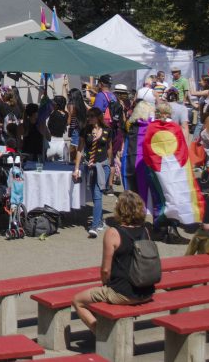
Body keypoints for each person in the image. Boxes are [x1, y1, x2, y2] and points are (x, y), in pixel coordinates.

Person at [71, 191, 156, 330]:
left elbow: (105, 270)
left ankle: (102, 335)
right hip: (146, 291)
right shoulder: (145, 230)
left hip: (123, 293)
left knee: (77, 300)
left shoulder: (113, 233)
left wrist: (106, 285)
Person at [74, 107, 114, 238]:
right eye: (88, 116)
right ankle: (100, 221)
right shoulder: (85, 131)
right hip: (90, 167)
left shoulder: (108, 130)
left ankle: (94, 226)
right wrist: (76, 168)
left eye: (92, 116)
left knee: (97, 194)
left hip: (102, 167)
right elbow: (80, 150)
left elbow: (109, 148)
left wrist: (110, 163)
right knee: (93, 193)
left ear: (98, 117)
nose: (89, 119)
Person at [46, 95, 69, 162]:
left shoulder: (53, 113)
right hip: (61, 143)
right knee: (61, 166)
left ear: (57, 104)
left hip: (51, 142)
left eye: (54, 103)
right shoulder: (66, 114)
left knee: (47, 166)